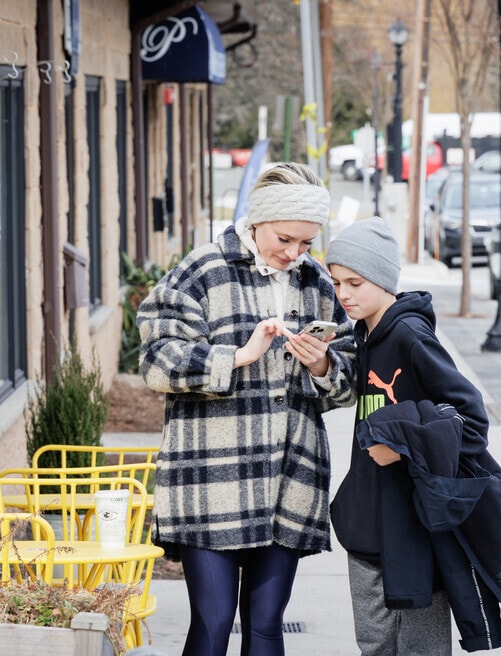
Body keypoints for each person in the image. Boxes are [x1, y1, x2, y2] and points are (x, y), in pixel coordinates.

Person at [137, 162, 357, 656]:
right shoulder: (202, 270)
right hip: (210, 478)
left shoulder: (317, 284)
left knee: (265, 627)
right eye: (285, 238)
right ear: (258, 220)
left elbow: (349, 379)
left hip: (289, 478)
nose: (294, 252)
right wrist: (238, 356)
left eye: (306, 242)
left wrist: (323, 365)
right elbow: (155, 361)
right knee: (212, 624)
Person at [326, 217, 501, 655]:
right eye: (336, 282)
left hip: (412, 529)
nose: (343, 294)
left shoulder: (409, 335)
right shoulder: (365, 333)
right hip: (367, 520)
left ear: (383, 279)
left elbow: (470, 418)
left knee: (421, 648)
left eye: (354, 282)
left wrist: (405, 449)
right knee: (374, 644)